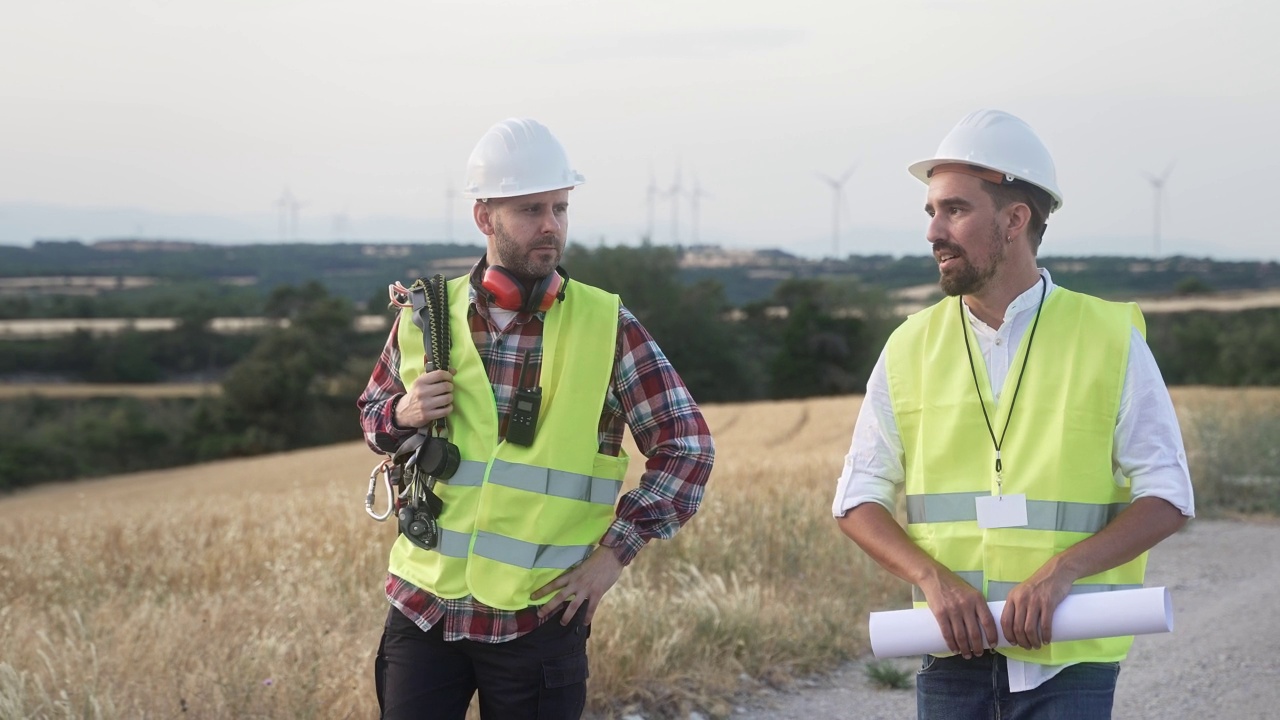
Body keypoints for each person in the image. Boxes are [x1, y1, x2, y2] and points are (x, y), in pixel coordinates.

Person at [832, 109, 1195, 719]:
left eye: (955, 209)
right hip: (950, 659)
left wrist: (1063, 570)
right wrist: (932, 580)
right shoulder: (909, 345)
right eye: (931, 212)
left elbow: (1168, 494)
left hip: (1070, 661)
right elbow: (856, 500)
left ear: (1014, 219)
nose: (933, 232)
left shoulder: (1108, 336)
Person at [357, 117, 714, 720]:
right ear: (484, 218)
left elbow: (687, 448)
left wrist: (613, 557)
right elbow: (373, 418)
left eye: (559, 207)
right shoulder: (425, 314)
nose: (550, 225)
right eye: (530, 210)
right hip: (424, 608)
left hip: (538, 620)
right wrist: (403, 411)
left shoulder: (607, 325)